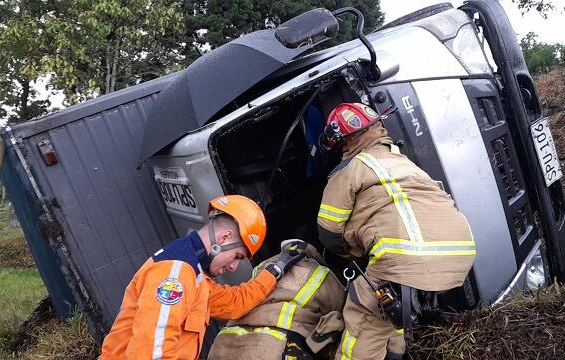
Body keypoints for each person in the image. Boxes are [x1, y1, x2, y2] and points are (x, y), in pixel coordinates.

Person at [316, 103, 476, 360]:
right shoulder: (403, 161)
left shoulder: (349, 169)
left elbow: (329, 232)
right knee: (388, 312)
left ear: (340, 139)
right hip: (460, 256)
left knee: (364, 317)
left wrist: (351, 253)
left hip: (406, 257)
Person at [100, 195, 308, 360]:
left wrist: (276, 269)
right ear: (224, 237)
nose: (234, 266)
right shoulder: (175, 275)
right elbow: (152, 353)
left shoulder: (195, 276)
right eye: (237, 256)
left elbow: (235, 302)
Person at [207, 243, 346, 360]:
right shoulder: (323, 274)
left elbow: (243, 297)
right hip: (272, 349)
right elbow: (342, 308)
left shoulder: (265, 267)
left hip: (224, 345)